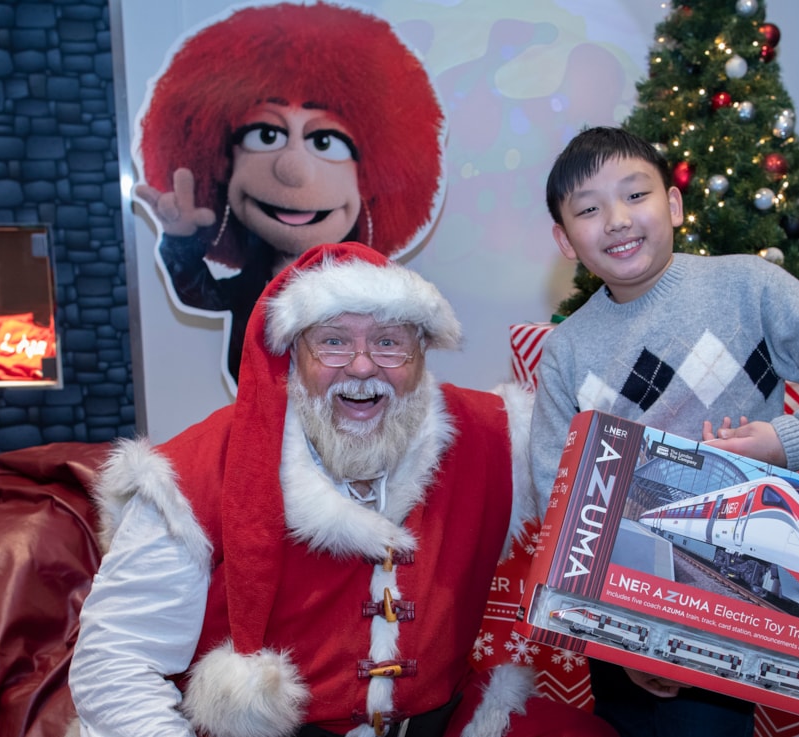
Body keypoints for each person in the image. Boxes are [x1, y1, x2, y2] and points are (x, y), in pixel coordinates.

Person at [69, 242, 617, 737]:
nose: (361, 367)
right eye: (332, 343)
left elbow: (614, 506)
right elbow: (115, 660)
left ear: (422, 353)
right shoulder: (193, 474)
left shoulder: (499, 438)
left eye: (388, 343)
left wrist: (660, 648)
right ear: (294, 357)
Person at [529, 127, 799, 737]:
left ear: (673, 205)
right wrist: (623, 640)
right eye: (589, 209)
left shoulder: (746, 287)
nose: (617, 220)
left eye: (635, 195)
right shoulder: (567, 350)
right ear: (564, 239)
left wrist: (789, 440)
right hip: (620, 618)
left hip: (730, 611)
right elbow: (556, 488)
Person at [134, 2, 445, 387]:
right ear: (221, 161)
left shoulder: (372, 287)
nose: (292, 169)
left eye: (326, 140)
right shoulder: (252, 283)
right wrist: (181, 239)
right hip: (260, 421)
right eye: (266, 135)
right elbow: (200, 294)